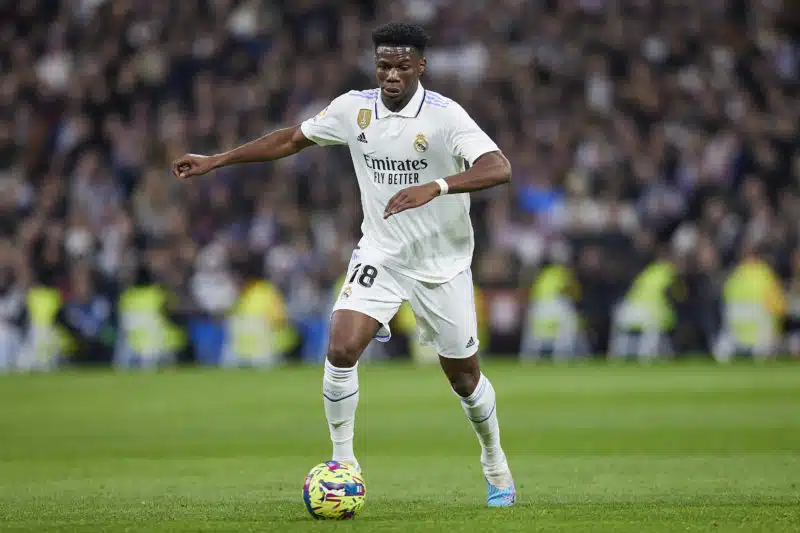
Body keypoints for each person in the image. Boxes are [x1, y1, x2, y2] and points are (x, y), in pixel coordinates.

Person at [172, 22, 516, 507]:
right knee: (340, 348)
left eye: (401, 66)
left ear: (421, 66)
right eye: (383, 65)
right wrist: (218, 160)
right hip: (381, 253)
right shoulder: (353, 109)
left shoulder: (445, 116)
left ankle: (494, 461)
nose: (391, 75)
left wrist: (435, 186)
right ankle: (343, 462)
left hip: (442, 263)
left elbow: (498, 167)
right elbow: (292, 139)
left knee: (463, 378)